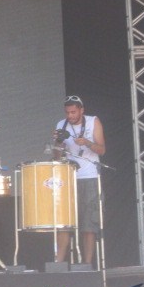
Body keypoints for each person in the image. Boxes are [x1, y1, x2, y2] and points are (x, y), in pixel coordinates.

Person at [53, 95, 106, 265]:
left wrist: (87, 143)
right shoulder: (61, 125)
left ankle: (87, 264)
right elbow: (56, 156)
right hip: (68, 178)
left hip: (89, 176)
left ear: (82, 110)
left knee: (89, 224)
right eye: (68, 112)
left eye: (74, 112)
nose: (71, 116)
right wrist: (58, 142)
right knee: (64, 223)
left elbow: (102, 150)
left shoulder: (93, 121)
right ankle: (59, 262)